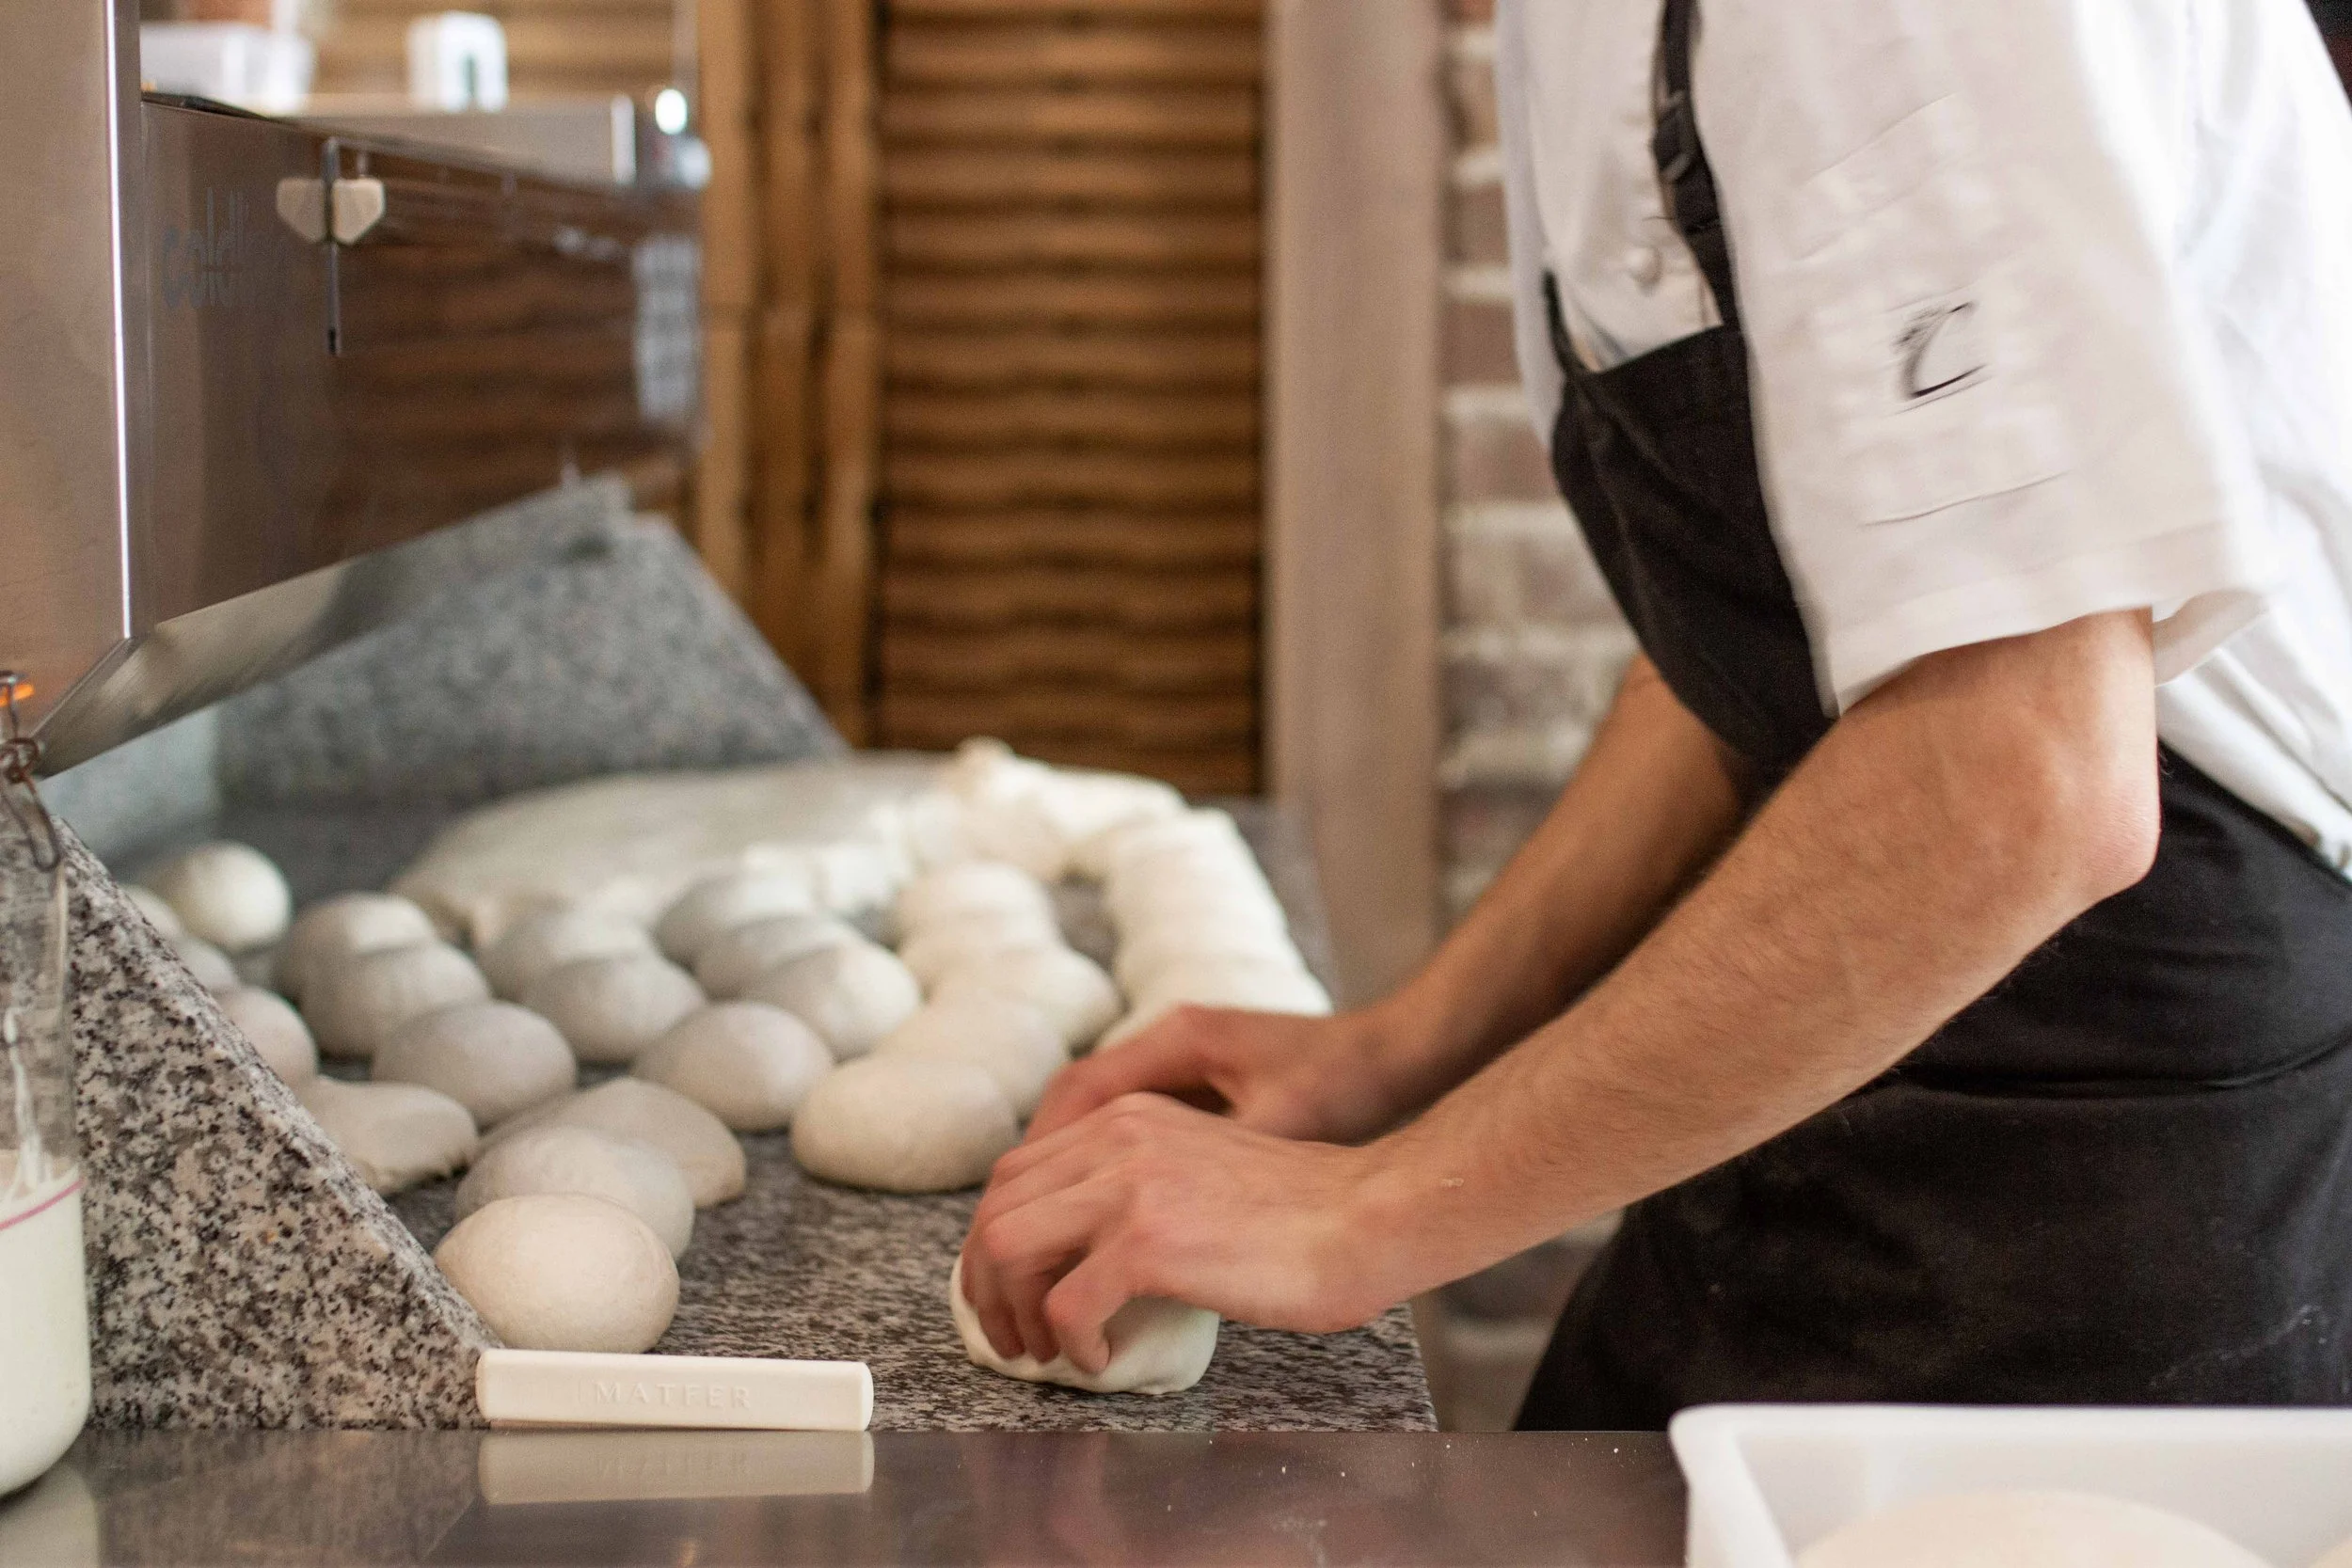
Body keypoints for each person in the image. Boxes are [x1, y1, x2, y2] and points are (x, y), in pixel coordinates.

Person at [960, 0, 2352, 1426]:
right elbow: (1775, 644)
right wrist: (1394, 1053)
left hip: (2104, 1171)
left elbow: (2020, 769)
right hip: (1809, 1060)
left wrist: (1367, 1211)